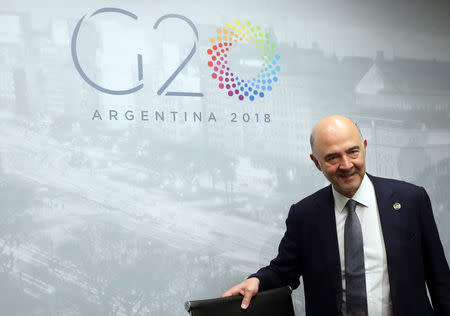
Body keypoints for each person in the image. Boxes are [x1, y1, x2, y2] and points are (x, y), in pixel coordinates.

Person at [222, 115, 450, 316]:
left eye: (353, 152)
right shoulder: (304, 215)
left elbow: (439, 277)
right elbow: (283, 271)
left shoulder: (411, 200)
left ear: (364, 147)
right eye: (332, 157)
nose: (346, 165)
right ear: (316, 163)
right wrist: (257, 280)